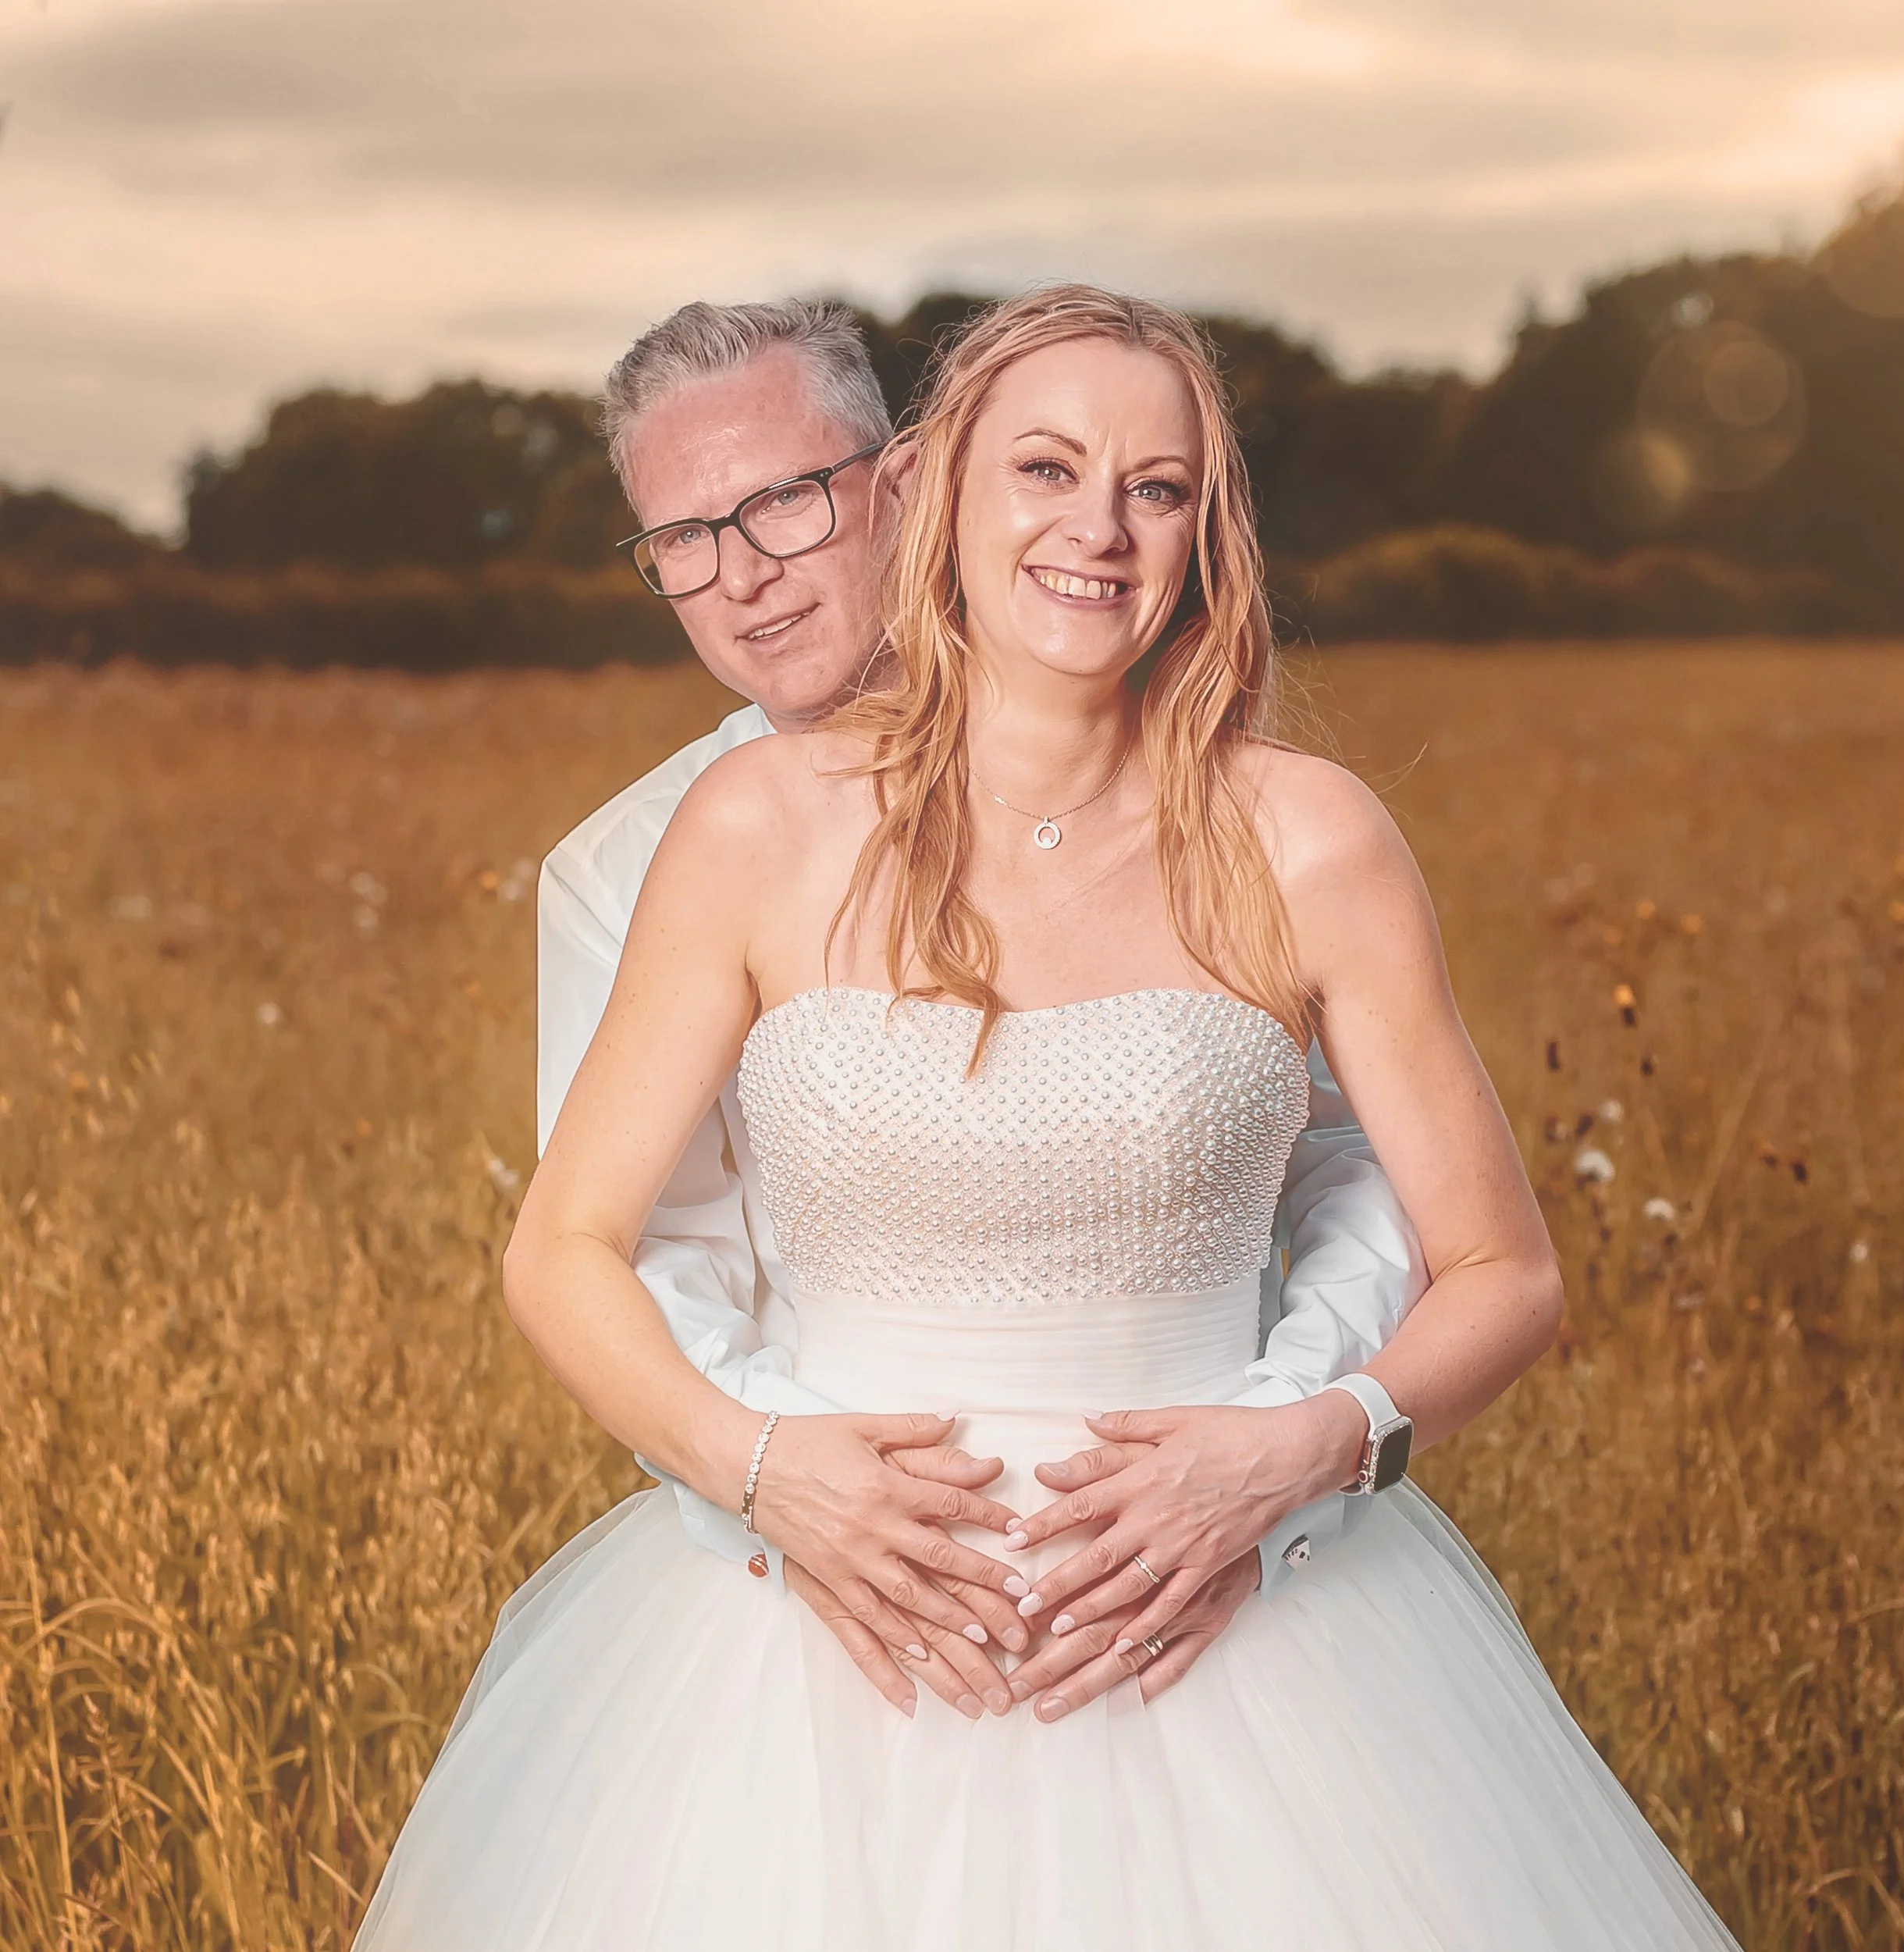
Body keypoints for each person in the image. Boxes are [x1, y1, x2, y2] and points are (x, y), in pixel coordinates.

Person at [355, 286, 1739, 1948]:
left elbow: (1469, 1245)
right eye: (1047, 469)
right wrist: (777, 1484)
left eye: (1154, 487)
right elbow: (586, 1252)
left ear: (892, 481)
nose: (1099, 523)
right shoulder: (713, 837)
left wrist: (1292, 1452)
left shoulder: (1305, 835)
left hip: (1234, 1593)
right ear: (958, 485)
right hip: (819, 1614)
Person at [532, 298, 1425, 1725]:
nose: (745, 576)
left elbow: (1354, 1169)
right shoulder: (631, 867)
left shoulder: (1252, 815)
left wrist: (1278, 1466)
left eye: (781, 504)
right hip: (846, 1594)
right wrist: (802, 1518)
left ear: (906, 482)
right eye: (683, 541)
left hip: (1195, 1554)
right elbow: (640, 1261)